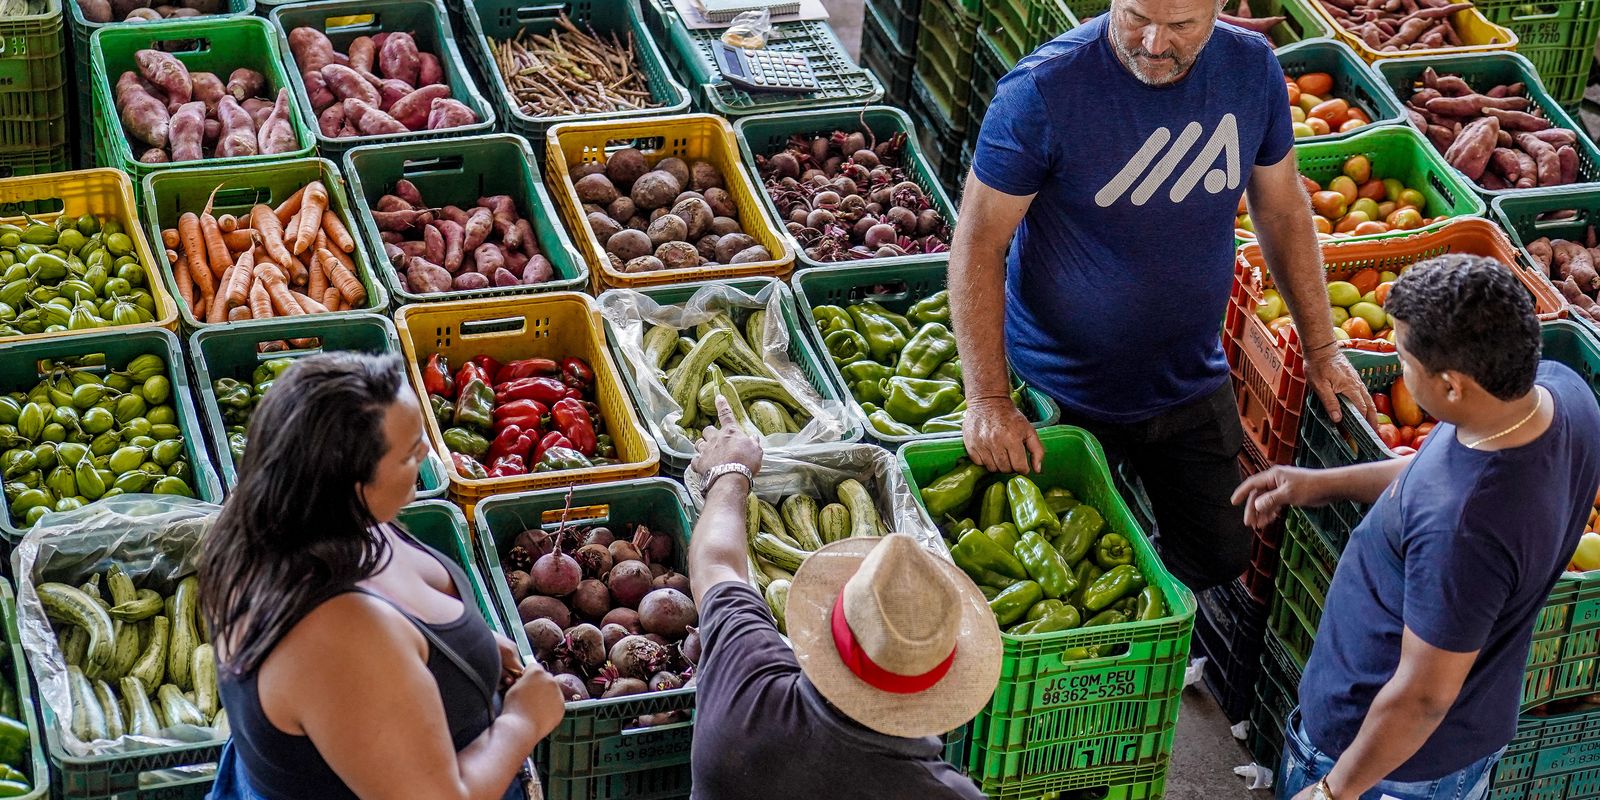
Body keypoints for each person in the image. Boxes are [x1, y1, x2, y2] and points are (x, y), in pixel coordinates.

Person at [950, 0, 1373, 591]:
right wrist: (990, 400)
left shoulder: (1250, 70)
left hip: (1187, 377)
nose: (1152, 44)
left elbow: (1281, 211)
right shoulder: (1044, 90)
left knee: (1221, 552)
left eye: (1181, 26)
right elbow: (977, 244)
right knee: (1063, 572)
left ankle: (1166, 620)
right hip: (1059, 387)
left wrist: (1322, 347)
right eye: (1136, 17)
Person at [1232, 256, 1600, 800]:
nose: (1400, 370)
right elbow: (1436, 470)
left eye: (1404, 361)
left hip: (1391, 770)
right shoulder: (1557, 393)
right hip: (1463, 729)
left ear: (1451, 386)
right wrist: (1320, 484)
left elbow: (1423, 697)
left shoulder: (1466, 532)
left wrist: (1334, 790)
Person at [200, 352, 567, 800]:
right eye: (410, 453)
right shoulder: (338, 639)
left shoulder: (300, 521)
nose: (428, 452)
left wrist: (468, 646)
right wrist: (523, 720)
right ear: (354, 483)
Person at [685, 396, 1001, 800]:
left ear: (827, 625)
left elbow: (716, 564)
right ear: (940, 686)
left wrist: (732, 471)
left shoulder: (748, 693)